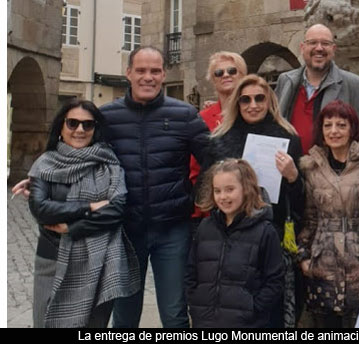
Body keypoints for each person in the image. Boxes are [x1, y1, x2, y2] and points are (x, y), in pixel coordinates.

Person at [101, 46, 209, 328]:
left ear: (163, 75)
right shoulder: (107, 117)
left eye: (155, 71)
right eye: (141, 70)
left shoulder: (184, 115)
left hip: (172, 229)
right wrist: (45, 178)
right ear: (128, 73)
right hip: (125, 230)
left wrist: (200, 199)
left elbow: (215, 160)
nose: (148, 77)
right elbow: (79, 155)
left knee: (174, 313)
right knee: (124, 315)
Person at [27, 99, 140, 328]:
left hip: (100, 264)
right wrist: (88, 206)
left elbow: (116, 209)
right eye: (72, 123)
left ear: (95, 129)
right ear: (61, 126)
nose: (79, 130)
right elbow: (41, 209)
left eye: (87, 125)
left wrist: (72, 227)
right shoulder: (44, 164)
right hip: (52, 260)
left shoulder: (109, 164)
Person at [203, 74, 303, 328]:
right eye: (245, 99)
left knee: (268, 311)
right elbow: (205, 191)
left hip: (270, 235)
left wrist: (293, 178)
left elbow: (300, 201)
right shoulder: (219, 140)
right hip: (229, 237)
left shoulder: (289, 138)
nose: (253, 104)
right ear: (236, 103)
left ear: (270, 101)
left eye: (259, 98)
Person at [297, 100, 359, 328]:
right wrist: (304, 257)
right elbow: (309, 218)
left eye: (341, 125)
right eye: (328, 125)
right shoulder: (311, 167)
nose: (334, 131)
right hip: (322, 269)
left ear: (352, 129)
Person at [186, 159, 285, 328]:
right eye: (217, 191)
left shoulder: (265, 231)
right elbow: (191, 271)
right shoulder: (205, 228)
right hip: (205, 322)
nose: (223, 197)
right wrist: (195, 302)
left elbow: (275, 280)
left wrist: (254, 308)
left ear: (246, 189)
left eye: (230, 189)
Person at [275, 24, 359, 154]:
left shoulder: (355, 85)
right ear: (302, 48)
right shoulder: (285, 81)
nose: (319, 48)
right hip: (289, 167)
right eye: (313, 43)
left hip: (331, 170)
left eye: (325, 43)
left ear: (333, 49)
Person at [189, 51, 247, 231]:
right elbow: (195, 169)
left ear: (243, 76)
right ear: (213, 80)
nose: (226, 75)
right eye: (219, 73)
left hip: (249, 205)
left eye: (232, 70)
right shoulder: (202, 118)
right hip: (213, 207)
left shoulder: (253, 113)